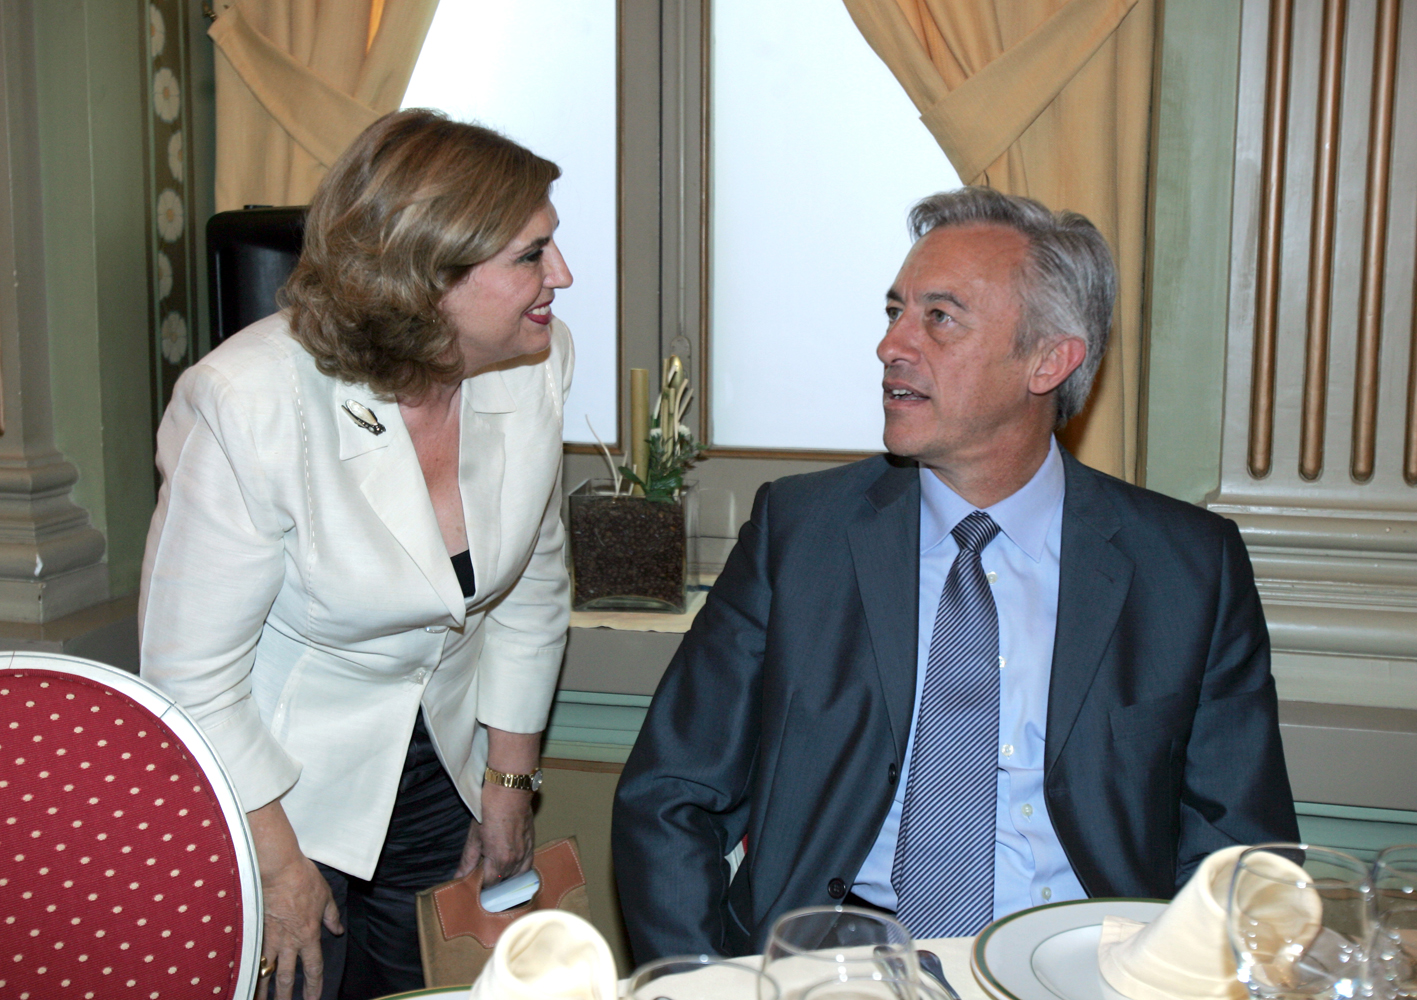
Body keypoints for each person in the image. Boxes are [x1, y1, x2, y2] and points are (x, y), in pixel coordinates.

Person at [612, 187, 1298, 961]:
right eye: (893, 312)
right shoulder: (799, 534)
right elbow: (670, 794)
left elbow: (1239, 850)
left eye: (939, 317)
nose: (891, 345)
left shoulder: (1186, 567)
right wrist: (698, 983)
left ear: (1048, 360)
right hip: (833, 965)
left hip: (1083, 964)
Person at [140, 110, 574, 1000]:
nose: (561, 276)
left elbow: (531, 586)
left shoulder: (536, 362)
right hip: (276, 787)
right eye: (531, 255)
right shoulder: (248, 402)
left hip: (443, 764)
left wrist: (507, 782)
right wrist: (277, 863)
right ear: (429, 277)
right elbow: (190, 675)